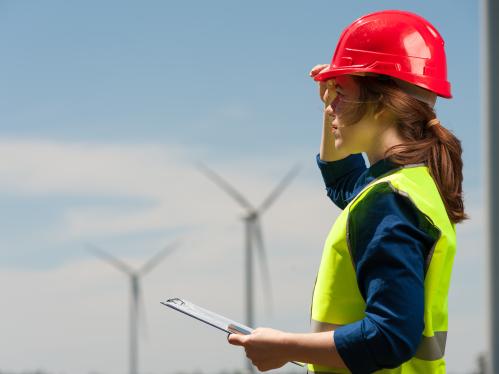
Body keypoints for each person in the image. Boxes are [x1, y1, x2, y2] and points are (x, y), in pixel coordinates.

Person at [228, 10, 465, 374]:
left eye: (341, 92)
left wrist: (283, 346)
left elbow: (389, 336)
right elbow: (342, 184)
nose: (330, 105)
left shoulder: (389, 203)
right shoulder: (409, 187)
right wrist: (334, 100)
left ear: (382, 102)